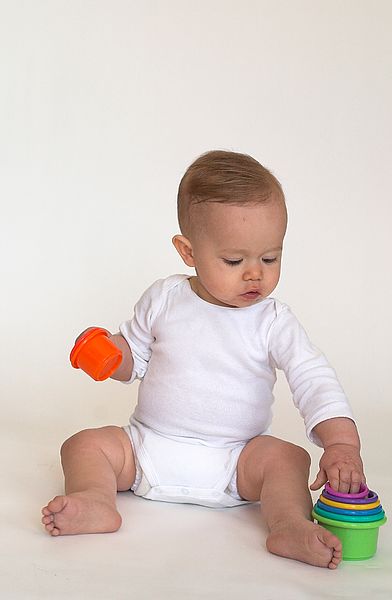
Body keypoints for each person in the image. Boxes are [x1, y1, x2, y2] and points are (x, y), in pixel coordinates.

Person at [41, 150, 365, 569]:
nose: (255, 274)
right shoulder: (165, 298)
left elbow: (312, 378)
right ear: (188, 251)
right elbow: (133, 359)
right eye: (234, 260)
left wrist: (341, 444)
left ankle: (286, 524)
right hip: (146, 449)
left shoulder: (273, 320)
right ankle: (95, 499)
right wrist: (106, 353)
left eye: (270, 257)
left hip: (236, 460)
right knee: (85, 444)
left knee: (287, 459)